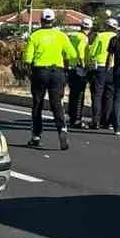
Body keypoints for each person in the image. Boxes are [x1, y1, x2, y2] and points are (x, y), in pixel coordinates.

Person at [23, 9, 75, 149]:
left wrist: (29, 72)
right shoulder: (61, 36)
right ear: (53, 20)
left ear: (41, 20)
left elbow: (27, 59)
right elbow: (72, 54)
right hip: (57, 72)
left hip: (40, 71)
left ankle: (36, 135)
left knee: (37, 104)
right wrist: (65, 64)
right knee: (56, 104)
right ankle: (62, 129)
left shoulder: (35, 36)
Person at [88, 15, 117, 130]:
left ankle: (96, 121)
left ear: (106, 26)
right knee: (109, 96)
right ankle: (107, 121)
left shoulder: (100, 36)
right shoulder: (118, 37)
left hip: (99, 67)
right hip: (113, 68)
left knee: (97, 95)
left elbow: (92, 52)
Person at [67, 16, 92, 129]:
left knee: (72, 94)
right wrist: (84, 64)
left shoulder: (71, 35)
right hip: (79, 68)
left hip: (70, 66)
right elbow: (81, 51)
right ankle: (77, 119)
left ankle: (71, 117)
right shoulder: (83, 38)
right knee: (79, 95)